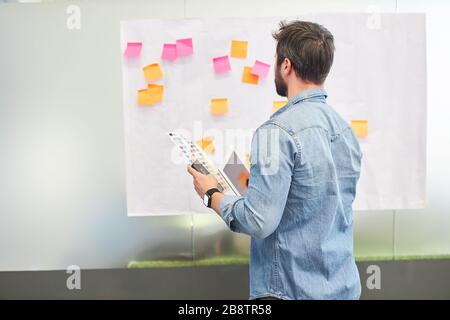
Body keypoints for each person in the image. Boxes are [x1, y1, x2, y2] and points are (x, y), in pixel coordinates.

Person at [187, 20, 363, 300]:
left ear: (286, 66)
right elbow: (311, 207)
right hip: (343, 290)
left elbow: (259, 222)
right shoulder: (345, 130)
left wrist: (211, 194)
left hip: (290, 292)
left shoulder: (275, 132)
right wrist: (253, 190)